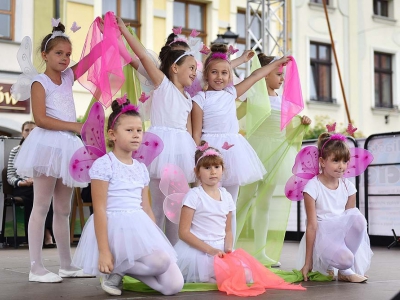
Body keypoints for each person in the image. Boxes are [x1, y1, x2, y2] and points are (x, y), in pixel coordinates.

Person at [13, 21, 103, 283]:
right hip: (47, 145)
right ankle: (36, 267)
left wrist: (110, 36)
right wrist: (76, 125)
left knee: (63, 208)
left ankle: (66, 264)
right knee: (41, 206)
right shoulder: (40, 82)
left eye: (67, 54)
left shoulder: (68, 77)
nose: (64, 59)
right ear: (44, 55)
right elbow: (40, 119)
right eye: (58, 53)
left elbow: (91, 59)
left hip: (66, 146)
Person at [72, 98, 183, 296]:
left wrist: (153, 238)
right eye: (129, 130)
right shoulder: (104, 165)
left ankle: (119, 270)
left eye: (139, 130)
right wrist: (104, 251)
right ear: (112, 134)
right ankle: (114, 265)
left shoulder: (141, 168)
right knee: (161, 262)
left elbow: (147, 208)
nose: (136, 135)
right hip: (115, 228)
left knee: (173, 286)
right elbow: (99, 209)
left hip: (138, 225)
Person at [191, 44, 290, 238]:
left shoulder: (231, 93)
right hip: (210, 150)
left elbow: (255, 76)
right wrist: (197, 156)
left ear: (230, 76)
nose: (219, 77)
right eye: (214, 72)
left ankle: (230, 247)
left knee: (230, 204)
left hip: (234, 150)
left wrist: (277, 63)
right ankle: (206, 241)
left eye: (224, 73)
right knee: (207, 201)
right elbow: (196, 133)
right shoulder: (199, 99)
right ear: (206, 75)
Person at [117, 17, 199, 246]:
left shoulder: (188, 98)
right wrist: (123, 30)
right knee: (156, 206)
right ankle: (151, 249)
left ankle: (173, 254)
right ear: (175, 68)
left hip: (182, 150)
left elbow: (190, 132)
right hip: (159, 148)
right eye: (191, 68)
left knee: (177, 206)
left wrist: (196, 155)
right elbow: (142, 56)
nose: (194, 73)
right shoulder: (162, 84)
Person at [235, 54, 311, 266]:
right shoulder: (253, 97)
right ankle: (229, 248)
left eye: (283, 75)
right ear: (265, 74)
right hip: (254, 153)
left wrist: (301, 124)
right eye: (278, 74)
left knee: (264, 204)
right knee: (243, 201)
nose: (282, 79)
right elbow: (233, 117)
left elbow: (287, 134)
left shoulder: (283, 101)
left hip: (275, 156)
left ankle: (260, 251)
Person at [298, 132, 373, 283]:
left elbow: (350, 222)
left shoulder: (348, 186)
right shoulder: (313, 187)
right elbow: (312, 226)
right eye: (336, 160)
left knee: (358, 219)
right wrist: (308, 262)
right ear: (322, 161)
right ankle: (341, 264)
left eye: (345, 161)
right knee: (346, 259)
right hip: (322, 236)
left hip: (340, 236)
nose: (341, 166)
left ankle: (345, 269)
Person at [175, 141, 235, 282]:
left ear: (222, 169)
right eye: (207, 167)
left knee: (244, 275)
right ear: (197, 172)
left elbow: (228, 230)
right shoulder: (194, 196)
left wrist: (228, 249)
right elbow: (184, 232)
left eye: (216, 166)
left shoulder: (226, 196)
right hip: (198, 250)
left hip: (219, 249)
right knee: (208, 277)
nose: (213, 171)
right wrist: (210, 250)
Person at [7, 121, 55, 248]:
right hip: (22, 187)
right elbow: (10, 176)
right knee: (37, 195)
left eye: (33, 130)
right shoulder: (15, 151)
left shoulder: (44, 150)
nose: (30, 133)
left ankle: (42, 233)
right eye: (27, 130)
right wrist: (21, 182)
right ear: (22, 133)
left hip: (38, 184)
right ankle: (45, 234)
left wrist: (36, 180)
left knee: (44, 193)